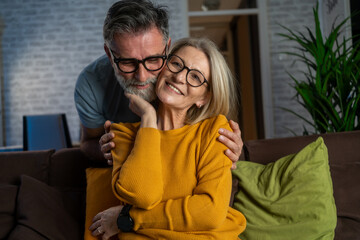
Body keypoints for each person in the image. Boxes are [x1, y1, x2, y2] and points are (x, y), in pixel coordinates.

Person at [88, 37, 246, 239]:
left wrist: (127, 219)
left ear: (203, 98)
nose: (180, 77)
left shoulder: (214, 131)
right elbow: (142, 195)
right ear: (162, 66)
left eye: (196, 77)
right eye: (176, 64)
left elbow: (210, 212)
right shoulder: (123, 135)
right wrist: (148, 118)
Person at [74, 0, 243, 168]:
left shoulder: (178, 76)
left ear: (167, 48)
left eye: (153, 59)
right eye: (127, 62)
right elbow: (88, 142)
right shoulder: (90, 83)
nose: (141, 76)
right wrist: (106, 151)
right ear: (110, 55)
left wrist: (230, 148)